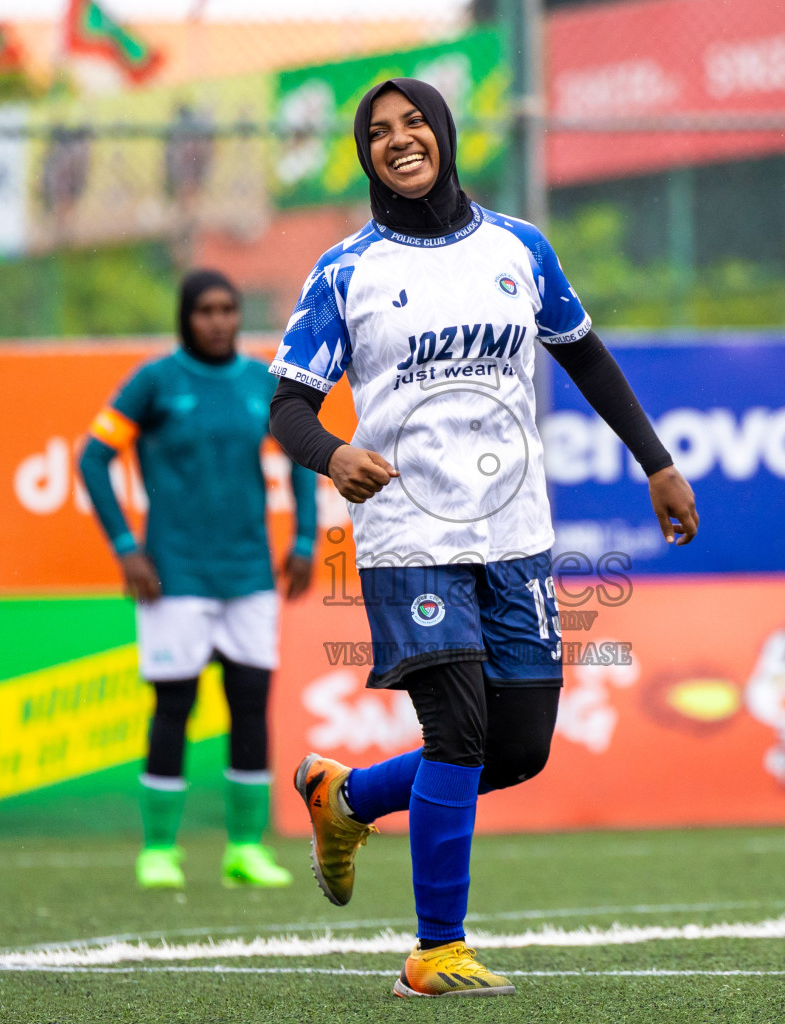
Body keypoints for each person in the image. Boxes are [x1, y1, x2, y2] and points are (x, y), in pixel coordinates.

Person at [269, 79, 697, 997]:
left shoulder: (519, 247)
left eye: (414, 121)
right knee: (457, 730)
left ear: (445, 133)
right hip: (408, 535)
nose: (399, 140)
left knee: (518, 748)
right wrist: (333, 455)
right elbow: (288, 408)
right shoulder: (346, 269)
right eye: (378, 133)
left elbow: (583, 352)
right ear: (365, 156)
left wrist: (655, 461)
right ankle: (436, 951)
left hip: (517, 532)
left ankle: (345, 800)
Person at [80, 269, 317, 890]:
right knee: (174, 708)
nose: (219, 321)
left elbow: (301, 452)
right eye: (206, 310)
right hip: (174, 577)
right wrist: (127, 548)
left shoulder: (257, 383)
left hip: (248, 576)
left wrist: (302, 539)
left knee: (250, 708)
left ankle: (245, 848)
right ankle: (159, 849)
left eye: (229, 309)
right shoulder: (156, 382)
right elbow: (93, 456)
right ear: (186, 316)